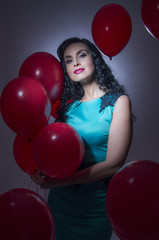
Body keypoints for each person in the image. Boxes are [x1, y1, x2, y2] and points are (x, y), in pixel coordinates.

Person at [32, 37, 133, 240]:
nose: (75, 62)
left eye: (82, 55)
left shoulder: (118, 102)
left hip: (96, 207)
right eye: (68, 60)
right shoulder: (66, 108)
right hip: (61, 205)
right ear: (65, 70)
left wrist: (59, 182)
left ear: (95, 59)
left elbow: (114, 164)